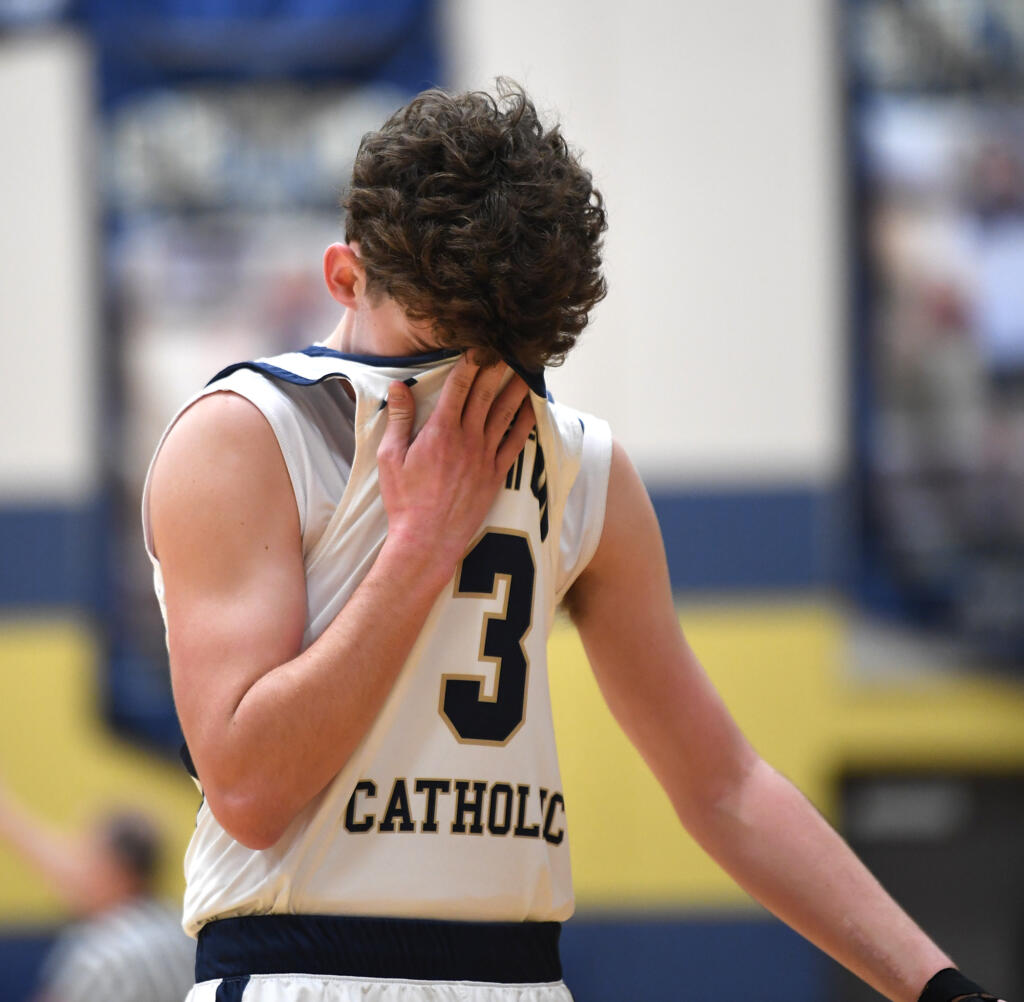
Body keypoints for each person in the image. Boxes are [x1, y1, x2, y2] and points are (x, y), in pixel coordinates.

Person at [143, 81, 1003, 1002]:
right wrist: (420, 549)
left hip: (520, 975)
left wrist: (940, 988)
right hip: (302, 969)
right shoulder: (247, 433)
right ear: (346, 279)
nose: (471, 386)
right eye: (437, 345)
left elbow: (724, 786)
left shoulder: (583, 462)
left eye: (503, 354)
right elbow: (249, 792)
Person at [0, 781, 195, 1002]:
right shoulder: (186, 935)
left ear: (117, 872)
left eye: (83, 858)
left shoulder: (100, 959)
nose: (71, 866)